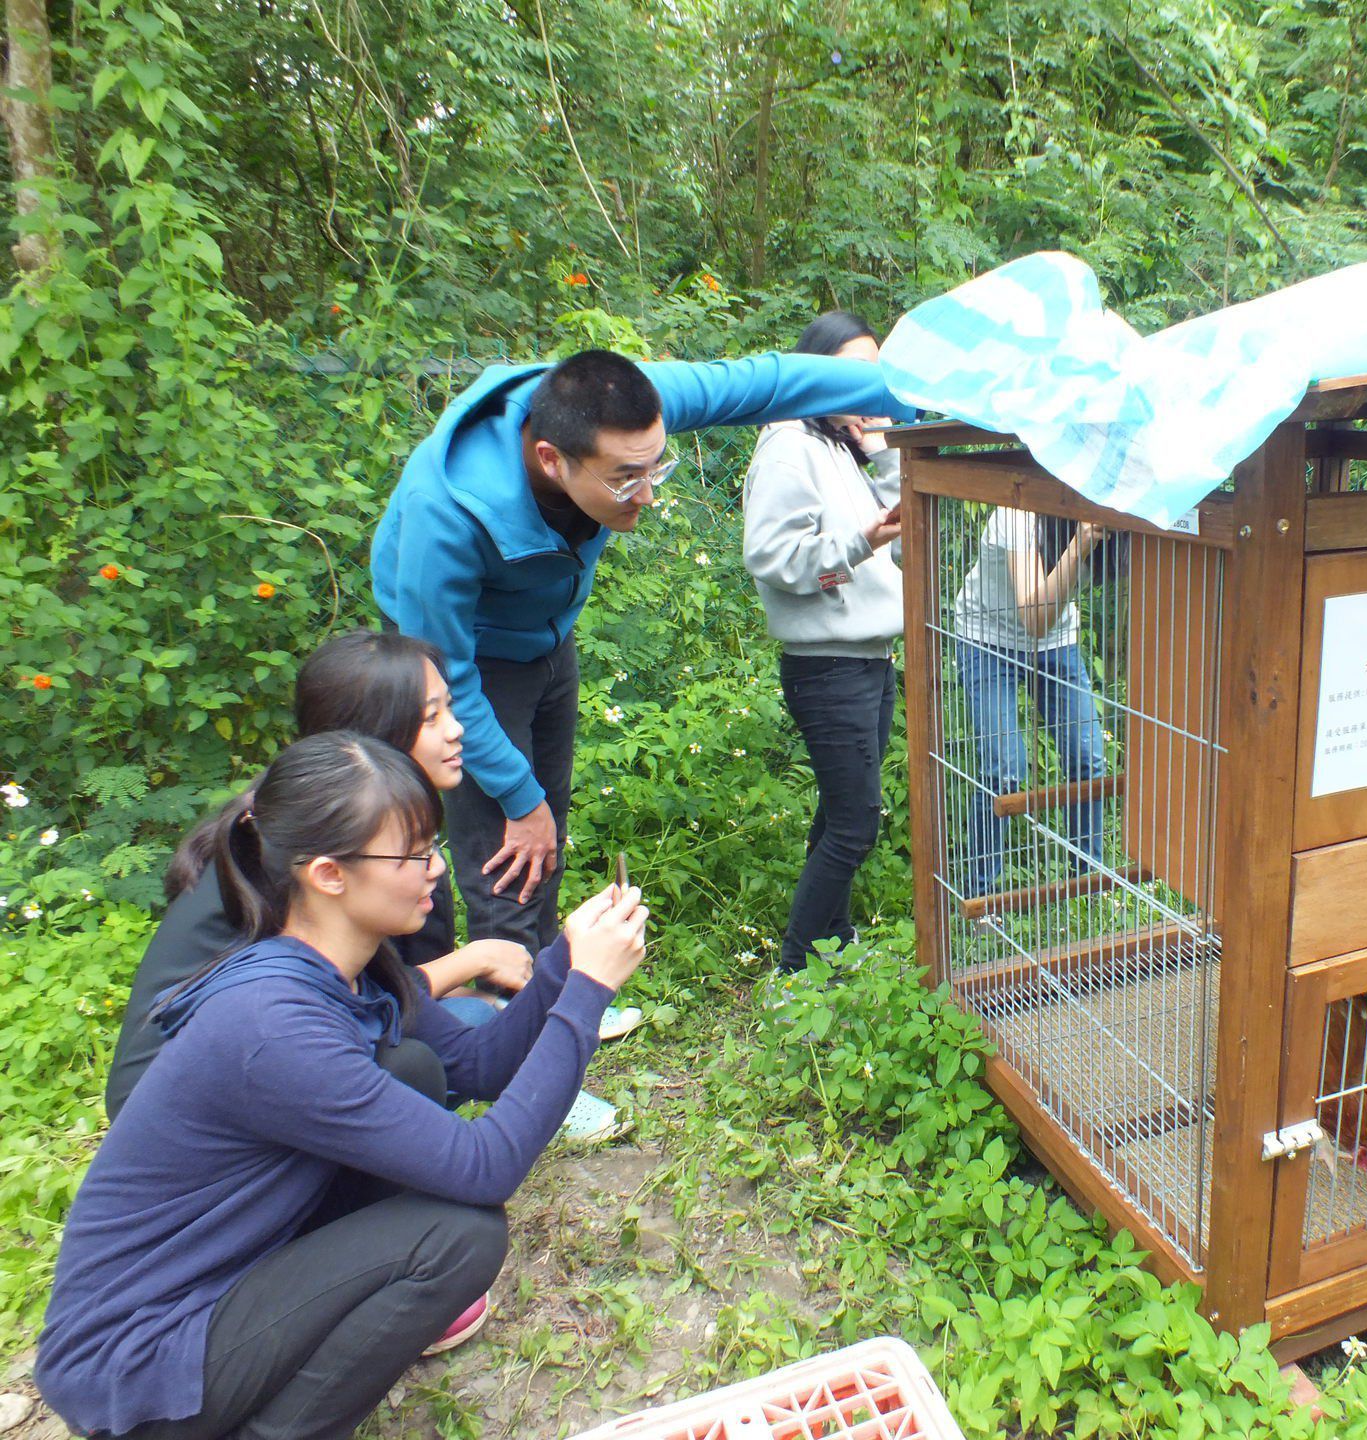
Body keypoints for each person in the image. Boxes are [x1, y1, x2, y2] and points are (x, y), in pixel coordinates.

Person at [35, 732, 651, 1440]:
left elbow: (480, 1065)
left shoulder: (348, 967)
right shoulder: (273, 1026)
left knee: (417, 1070)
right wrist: (588, 992)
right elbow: (487, 1168)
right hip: (136, 1361)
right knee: (455, 1237)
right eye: (413, 852)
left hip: (220, 1281)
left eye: (433, 844)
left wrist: (564, 963)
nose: (435, 868)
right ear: (328, 873)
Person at [373, 347, 909, 960]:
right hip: (458, 653)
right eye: (628, 479)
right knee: (511, 846)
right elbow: (448, 677)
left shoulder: (624, 408)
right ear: (551, 459)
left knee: (547, 825)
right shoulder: (445, 516)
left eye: (657, 468)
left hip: (546, 629)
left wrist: (907, 390)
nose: (648, 495)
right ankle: (496, 1030)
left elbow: (771, 381)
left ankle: (546, 1003)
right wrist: (518, 799)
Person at [103, 630, 635, 1141]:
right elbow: (339, 999)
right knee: (420, 1062)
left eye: (450, 708)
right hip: (184, 1101)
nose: (457, 730)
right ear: (367, 737)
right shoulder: (301, 852)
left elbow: (385, 990)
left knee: (469, 1016)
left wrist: (561, 961)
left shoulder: (365, 827)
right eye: (431, 718)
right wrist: (475, 964)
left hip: (279, 1036)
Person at [742, 312, 904, 971]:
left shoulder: (837, 443)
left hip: (866, 657)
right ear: (816, 370)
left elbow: (898, 508)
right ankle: (794, 969)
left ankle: (831, 946)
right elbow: (773, 557)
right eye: (853, 373)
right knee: (855, 826)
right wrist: (861, 544)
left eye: (875, 374)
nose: (867, 388)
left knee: (840, 816)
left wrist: (883, 441)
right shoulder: (789, 446)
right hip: (827, 663)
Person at [951, 511, 1112, 896]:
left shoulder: (1116, 512)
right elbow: (1035, 619)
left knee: (1088, 761)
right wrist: (1081, 544)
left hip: (1057, 642)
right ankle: (982, 900)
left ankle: (1088, 890)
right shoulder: (1017, 514)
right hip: (986, 636)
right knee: (1004, 768)